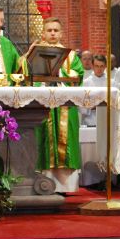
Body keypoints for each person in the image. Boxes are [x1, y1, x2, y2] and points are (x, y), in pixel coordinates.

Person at [28, 17, 84, 193]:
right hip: (42, 105)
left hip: (64, 105)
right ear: (43, 33)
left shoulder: (71, 55)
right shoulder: (36, 53)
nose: (52, 33)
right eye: (49, 30)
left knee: (65, 143)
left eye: (56, 30)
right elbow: (27, 74)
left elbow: (78, 75)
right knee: (43, 140)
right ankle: (42, 183)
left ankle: (64, 186)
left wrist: (59, 70)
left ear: (61, 33)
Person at [80, 54, 120, 127]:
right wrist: (92, 106)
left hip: (108, 119)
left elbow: (118, 101)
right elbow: (81, 103)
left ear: (105, 66)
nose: (99, 69)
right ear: (92, 66)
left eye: (101, 66)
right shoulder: (86, 83)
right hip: (90, 120)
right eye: (97, 66)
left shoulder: (112, 83)